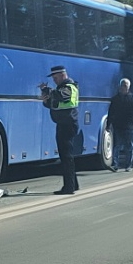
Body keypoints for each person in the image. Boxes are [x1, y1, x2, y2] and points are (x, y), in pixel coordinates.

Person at [40, 64, 80, 195]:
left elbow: (63, 96)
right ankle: (74, 184)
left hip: (68, 125)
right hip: (63, 124)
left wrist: (49, 91)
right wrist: (46, 99)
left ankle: (69, 187)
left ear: (63, 75)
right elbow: (54, 103)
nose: (54, 80)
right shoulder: (61, 88)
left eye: (56, 77)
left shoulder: (69, 87)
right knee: (67, 156)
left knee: (66, 156)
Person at [108, 78, 133, 171]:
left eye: (125, 85)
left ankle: (128, 165)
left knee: (129, 146)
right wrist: (108, 125)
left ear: (128, 87)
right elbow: (111, 112)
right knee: (117, 145)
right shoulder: (115, 99)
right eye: (122, 85)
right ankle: (115, 165)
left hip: (130, 126)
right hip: (118, 125)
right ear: (120, 86)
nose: (124, 87)